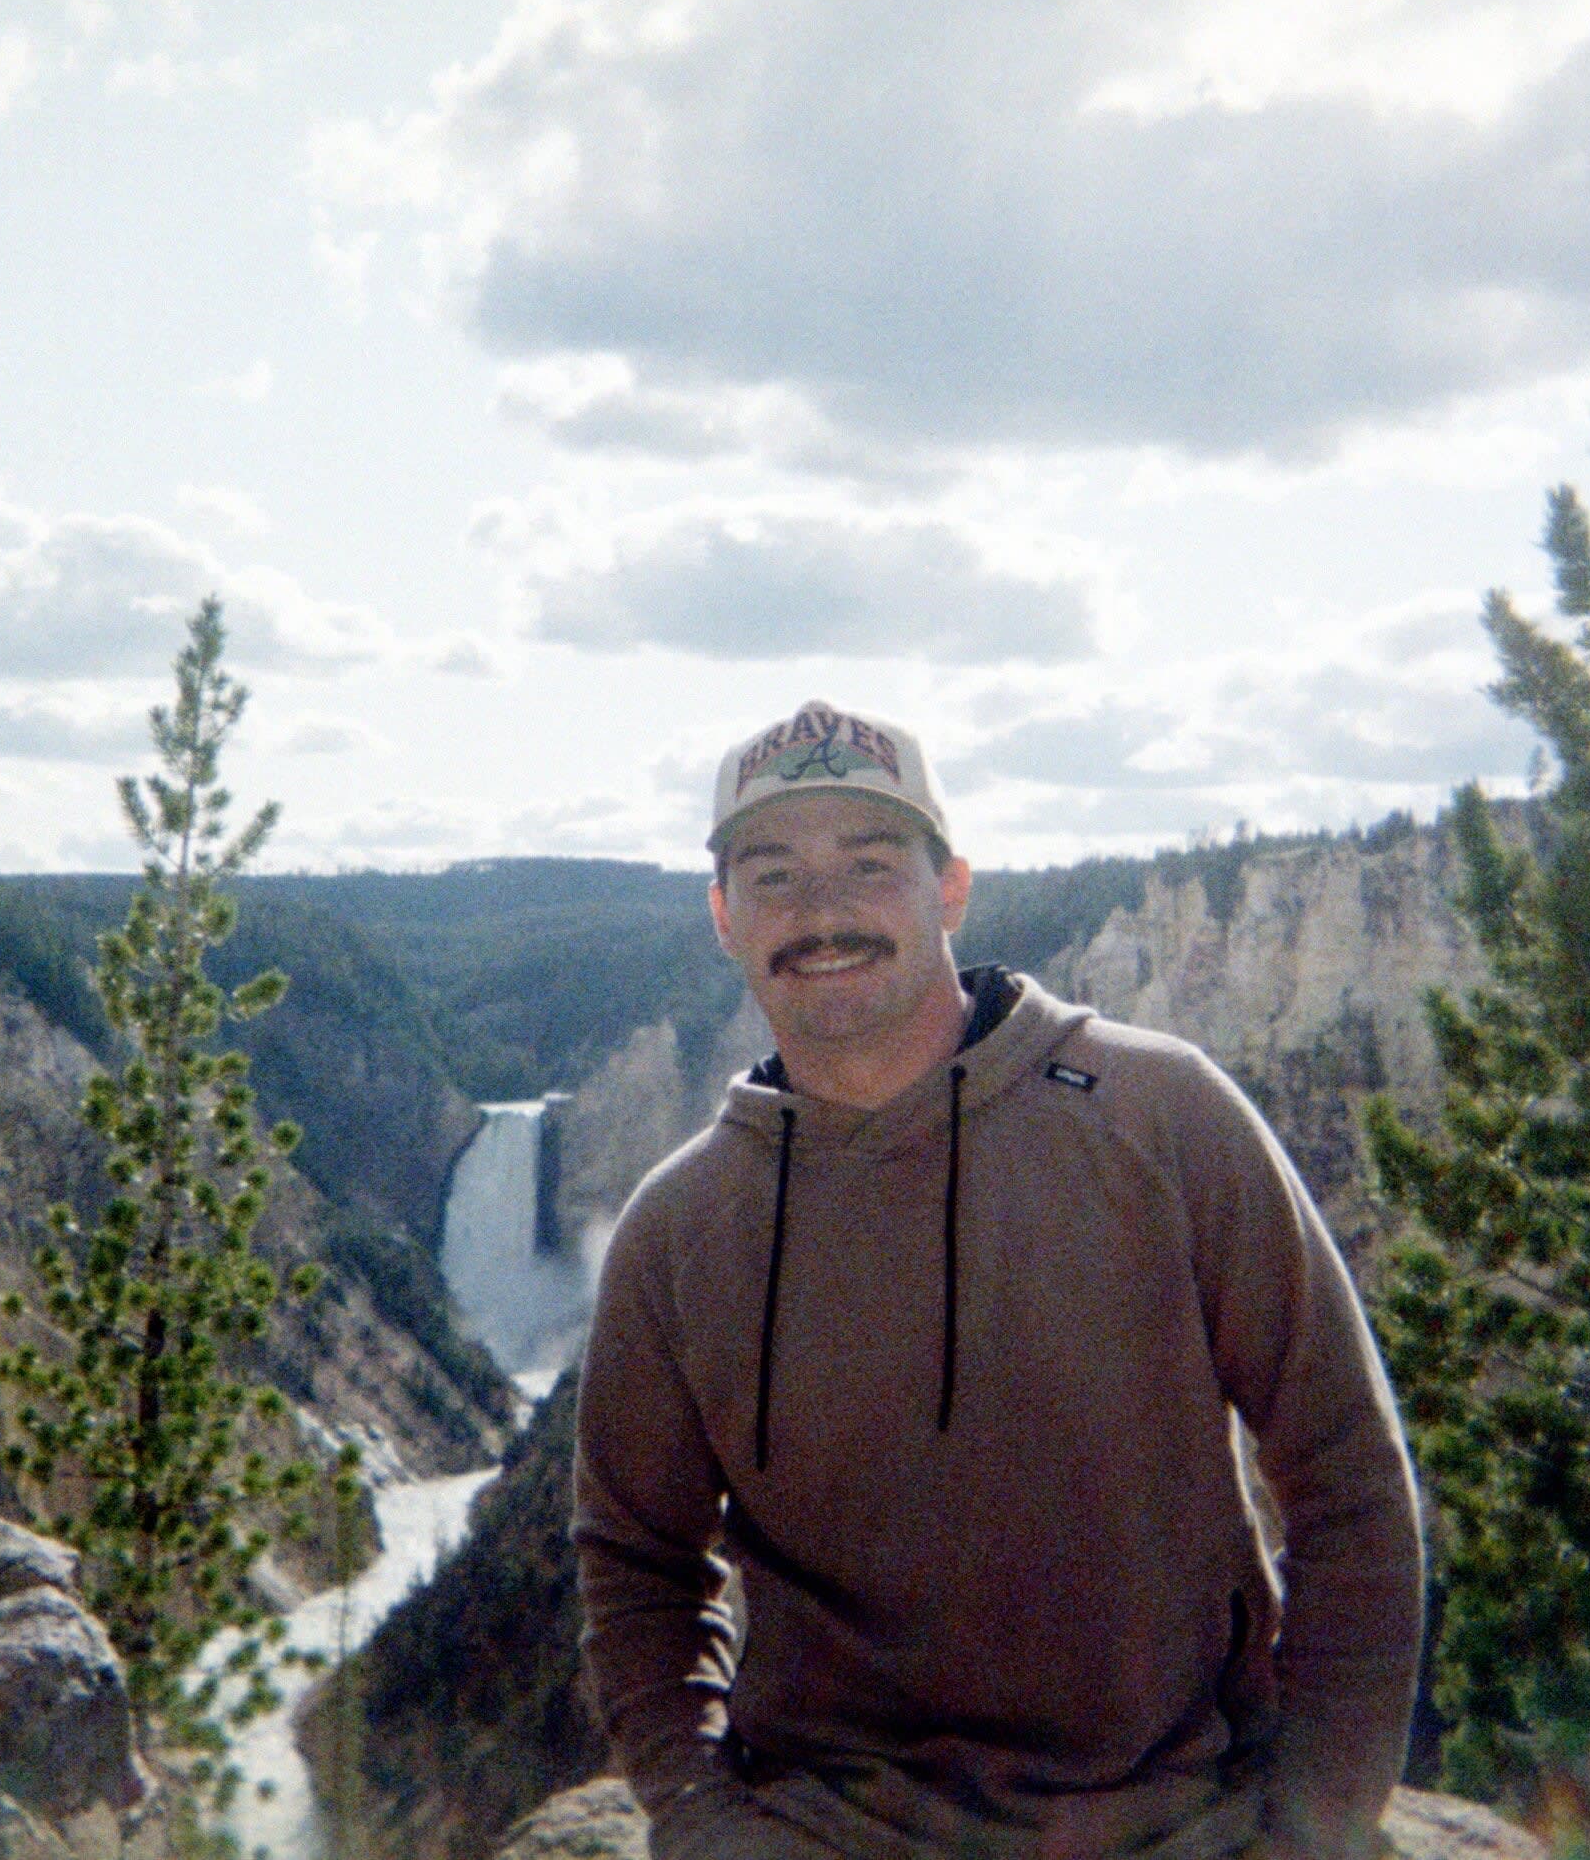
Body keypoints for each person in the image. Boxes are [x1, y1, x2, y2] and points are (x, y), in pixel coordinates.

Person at [573, 700, 1424, 1860]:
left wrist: (1315, 1824)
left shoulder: (1162, 1117)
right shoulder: (678, 1228)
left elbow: (1348, 1474)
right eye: (773, 877)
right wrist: (702, 1817)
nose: (822, 913)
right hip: (825, 1833)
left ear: (952, 888)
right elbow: (636, 1566)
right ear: (724, 917)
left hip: (1185, 1822)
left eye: (870, 866)